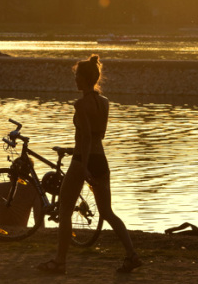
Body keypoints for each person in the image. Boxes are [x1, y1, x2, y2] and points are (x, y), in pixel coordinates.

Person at [36, 54, 140, 274]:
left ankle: (59, 262)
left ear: (84, 79)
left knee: (64, 211)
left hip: (82, 161)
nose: (75, 80)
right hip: (100, 160)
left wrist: (82, 168)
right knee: (107, 212)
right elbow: (96, 137)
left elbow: (86, 140)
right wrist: (73, 149)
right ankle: (132, 255)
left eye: (77, 76)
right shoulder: (104, 103)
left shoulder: (81, 104)